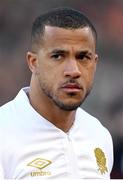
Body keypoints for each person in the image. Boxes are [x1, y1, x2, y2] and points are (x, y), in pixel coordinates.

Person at [0, 7, 113, 179]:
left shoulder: (99, 134)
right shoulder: (4, 132)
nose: (74, 70)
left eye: (83, 57)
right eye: (58, 56)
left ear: (95, 63)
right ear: (33, 62)